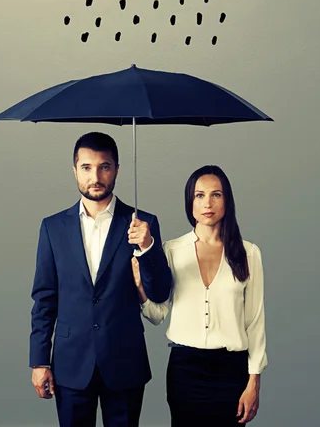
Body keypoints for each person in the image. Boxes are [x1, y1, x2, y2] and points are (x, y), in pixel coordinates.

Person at [29, 131, 172, 427]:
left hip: (124, 361)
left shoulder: (143, 224)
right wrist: (40, 360)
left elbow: (159, 293)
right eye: (86, 167)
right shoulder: (53, 228)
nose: (96, 176)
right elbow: (44, 299)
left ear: (117, 169)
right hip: (70, 364)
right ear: (75, 171)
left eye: (104, 166)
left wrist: (147, 247)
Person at [131, 165, 267, 426]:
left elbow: (255, 322)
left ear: (227, 200)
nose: (208, 203)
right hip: (185, 369)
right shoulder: (171, 250)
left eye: (216, 195)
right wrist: (140, 289)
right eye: (199, 195)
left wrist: (254, 382)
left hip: (232, 371)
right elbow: (158, 315)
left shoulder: (248, 253)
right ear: (189, 202)